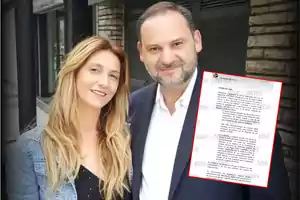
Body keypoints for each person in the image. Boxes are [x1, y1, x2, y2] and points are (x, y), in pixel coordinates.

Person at [128, 1, 291, 200]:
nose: (167, 58)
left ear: (197, 41)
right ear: (141, 52)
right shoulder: (133, 106)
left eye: (177, 44)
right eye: (154, 48)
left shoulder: (240, 105)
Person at [6, 36, 132, 200]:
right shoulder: (30, 150)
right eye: (95, 70)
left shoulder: (124, 140)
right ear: (74, 73)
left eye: (113, 76)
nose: (104, 82)